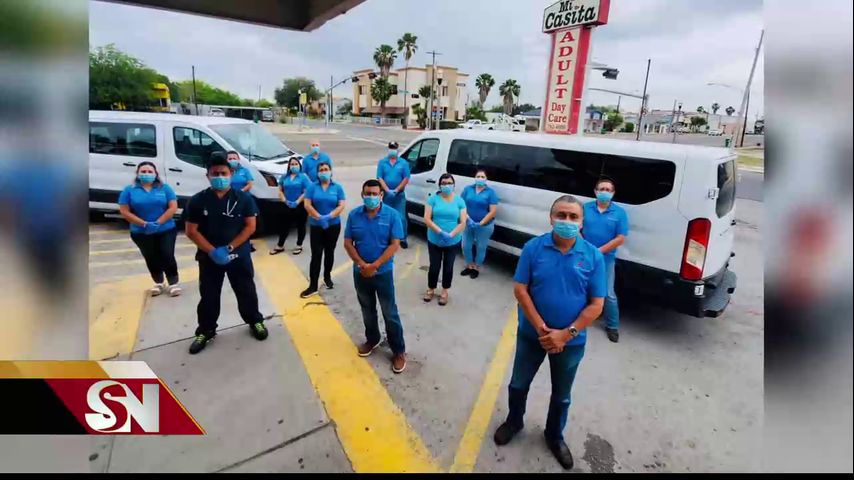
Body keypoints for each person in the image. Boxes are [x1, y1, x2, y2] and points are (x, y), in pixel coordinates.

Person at [493, 195, 606, 470]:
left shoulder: (593, 256)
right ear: (551, 218)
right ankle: (514, 421)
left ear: (581, 223)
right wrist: (541, 327)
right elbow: (520, 289)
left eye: (573, 217)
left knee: (562, 395)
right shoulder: (533, 247)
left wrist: (565, 335)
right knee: (518, 384)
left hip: (571, 342)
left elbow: (597, 304)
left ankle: (554, 435)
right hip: (532, 336)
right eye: (561, 215)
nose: (566, 221)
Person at [184, 152, 269, 354]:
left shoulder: (244, 199)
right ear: (208, 176)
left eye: (223, 172)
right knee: (209, 296)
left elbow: (250, 227)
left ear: (231, 173)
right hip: (209, 257)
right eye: (214, 174)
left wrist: (229, 247)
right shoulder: (198, 201)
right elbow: (191, 230)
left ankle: (255, 321)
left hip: (238, 256)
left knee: (246, 291)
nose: (219, 177)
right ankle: (206, 330)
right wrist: (213, 251)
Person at [343, 179, 407, 373]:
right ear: (362, 195)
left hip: (383, 273)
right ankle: (373, 339)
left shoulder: (392, 215)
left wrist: (376, 265)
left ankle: (398, 350)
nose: (370, 197)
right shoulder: (354, 215)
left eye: (374, 194)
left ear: (381, 196)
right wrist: (362, 265)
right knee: (367, 309)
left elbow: (395, 244)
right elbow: (347, 243)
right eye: (367, 194)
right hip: (360, 272)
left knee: (389, 312)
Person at [118, 161, 181, 297]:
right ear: (138, 174)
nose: (147, 174)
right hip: (140, 231)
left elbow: (173, 207)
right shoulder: (129, 190)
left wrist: (158, 222)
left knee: (167, 254)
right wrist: (143, 224)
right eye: (143, 172)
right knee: (151, 256)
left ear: (156, 174)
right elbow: (124, 211)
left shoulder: (164, 188)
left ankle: (173, 283)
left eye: (150, 172)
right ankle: (158, 282)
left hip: (165, 229)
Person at [582, 177, 629, 343]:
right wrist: (585, 248)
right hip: (584, 254)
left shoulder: (619, 213)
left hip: (606, 258)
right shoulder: (585, 208)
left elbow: (621, 237)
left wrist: (599, 251)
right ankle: (579, 317)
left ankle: (612, 326)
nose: (605, 192)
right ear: (595, 191)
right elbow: (578, 228)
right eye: (602, 189)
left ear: (613, 193)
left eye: (608, 190)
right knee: (580, 286)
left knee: (608, 293)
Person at [301, 161, 346, 298]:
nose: (324, 171)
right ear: (317, 173)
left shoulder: (337, 187)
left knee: (329, 252)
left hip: (333, 225)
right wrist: (319, 217)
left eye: (326, 169)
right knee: (316, 255)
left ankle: (327, 276)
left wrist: (329, 216)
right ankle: (313, 285)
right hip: (316, 226)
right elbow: (307, 204)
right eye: (321, 170)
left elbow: (341, 205)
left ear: (331, 171)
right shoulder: (312, 187)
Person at [423, 173, 467, 306]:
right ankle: (430, 288)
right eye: (444, 183)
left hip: (452, 241)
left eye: (449, 183)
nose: (446, 185)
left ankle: (444, 291)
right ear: (439, 185)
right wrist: (440, 232)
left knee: (448, 267)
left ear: (453, 185)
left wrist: (451, 235)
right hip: (435, 239)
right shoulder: (433, 199)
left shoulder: (459, 201)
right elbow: (427, 218)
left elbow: (463, 221)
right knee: (434, 267)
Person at [460, 169, 500, 279]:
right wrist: (468, 219)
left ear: (486, 179)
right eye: (478, 176)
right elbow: (461, 205)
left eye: (483, 177)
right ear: (475, 177)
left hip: (485, 226)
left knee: (481, 247)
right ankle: (469, 265)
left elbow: (492, 211)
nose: (480, 179)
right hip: (468, 223)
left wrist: (481, 223)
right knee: (466, 246)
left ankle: (476, 267)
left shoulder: (490, 192)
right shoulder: (468, 189)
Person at [270, 157, 311, 256]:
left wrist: (297, 201)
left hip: (299, 205)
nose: (294, 166)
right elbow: (280, 190)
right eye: (292, 164)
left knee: (301, 225)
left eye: (296, 164)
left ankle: (299, 245)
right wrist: (284, 200)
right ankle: (280, 245)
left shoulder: (303, 177)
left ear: (299, 166)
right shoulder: (285, 177)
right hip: (286, 204)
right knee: (284, 225)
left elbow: (306, 192)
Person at [376, 141, 411, 249]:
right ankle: (387, 238)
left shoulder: (403, 163)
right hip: (386, 195)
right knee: (386, 217)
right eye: (391, 148)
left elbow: (406, 178)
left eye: (394, 148)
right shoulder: (382, 162)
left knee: (401, 217)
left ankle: (403, 238)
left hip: (399, 195)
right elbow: (379, 177)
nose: (392, 150)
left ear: (397, 149)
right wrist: (387, 190)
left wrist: (396, 190)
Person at [226, 150, 256, 252]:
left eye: (234, 158)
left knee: (246, 223)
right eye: (230, 159)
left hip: (244, 200)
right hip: (230, 200)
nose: (232, 160)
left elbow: (250, 183)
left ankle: (246, 243)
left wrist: (240, 192)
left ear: (238, 159)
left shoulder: (244, 171)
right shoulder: (226, 171)